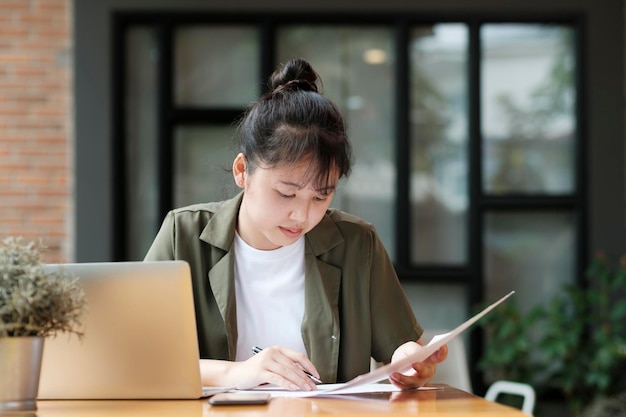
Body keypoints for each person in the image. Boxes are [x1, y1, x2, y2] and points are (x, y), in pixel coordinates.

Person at [144, 57, 447, 391]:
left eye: (321, 197)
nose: (302, 216)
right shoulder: (182, 235)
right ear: (242, 171)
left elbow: (399, 351)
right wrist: (240, 373)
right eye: (287, 194)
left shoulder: (357, 244)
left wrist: (409, 360)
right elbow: (137, 358)